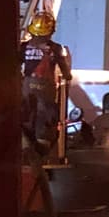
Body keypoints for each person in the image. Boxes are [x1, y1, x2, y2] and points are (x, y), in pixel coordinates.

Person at [20, 11, 72, 152]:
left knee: (26, 113)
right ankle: (42, 145)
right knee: (45, 115)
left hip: (27, 87)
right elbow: (65, 70)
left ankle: (25, 143)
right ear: (51, 31)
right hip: (46, 88)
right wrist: (68, 76)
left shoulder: (23, 47)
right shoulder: (56, 48)